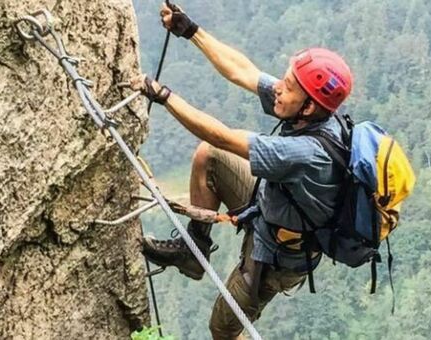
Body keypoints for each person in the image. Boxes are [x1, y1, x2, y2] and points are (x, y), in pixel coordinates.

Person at [129, 4, 353, 339]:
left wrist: (163, 96)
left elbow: (222, 134)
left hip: (278, 255)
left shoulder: (307, 153)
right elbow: (242, 71)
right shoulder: (305, 110)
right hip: (271, 203)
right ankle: (194, 249)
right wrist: (191, 30)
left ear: (309, 106)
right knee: (211, 157)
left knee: (224, 329)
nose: (280, 87)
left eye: (289, 87)